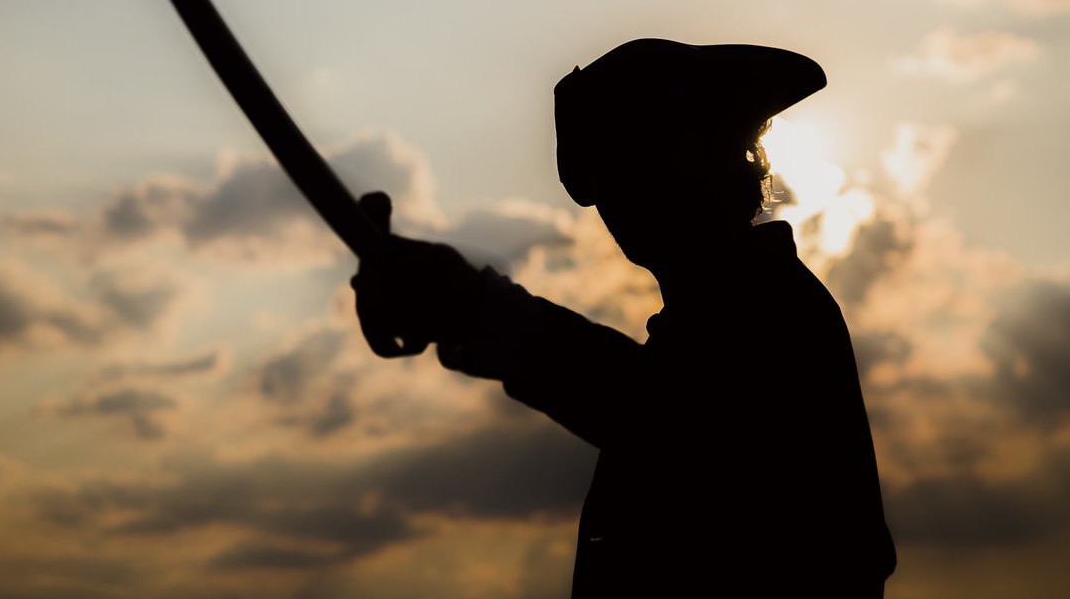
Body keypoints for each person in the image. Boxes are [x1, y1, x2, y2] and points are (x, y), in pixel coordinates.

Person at [351, 39, 896, 597]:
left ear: (720, 157)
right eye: (609, 173)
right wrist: (470, 308)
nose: (620, 198)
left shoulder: (772, 311)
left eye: (641, 159)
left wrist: (473, 307)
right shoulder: (732, 315)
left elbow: (666, 416)